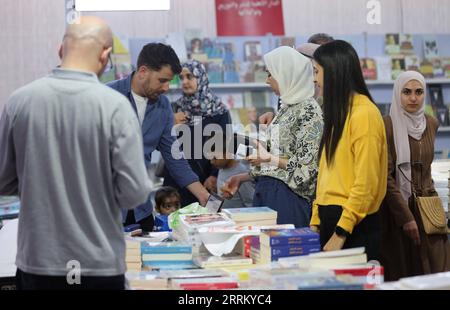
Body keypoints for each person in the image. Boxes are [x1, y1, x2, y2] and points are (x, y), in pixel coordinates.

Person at [0, 16, 152, 290]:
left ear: (61, 49)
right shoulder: (115, 107)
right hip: (97, 264)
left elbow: (4, 181)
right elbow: (135, 193)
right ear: (105, 54)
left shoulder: (19, 101)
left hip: (38, 262)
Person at [108, 44, 210, 232]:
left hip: (140, 208)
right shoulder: (107, 98)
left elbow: (174, 156)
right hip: (106, 208)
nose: (166, 88)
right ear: (143, 71)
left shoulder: (163, 106)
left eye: (169, 81)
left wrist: (203, 195)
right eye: (162, 80)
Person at [223, 46, 323, 228]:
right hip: (267, 193)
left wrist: (269, 158)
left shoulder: (309, 110)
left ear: (285, 74)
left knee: (285, 254)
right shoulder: (286, 108)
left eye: (270, 74)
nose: (267, 81)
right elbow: (274, 160)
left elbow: (307, 168)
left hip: (289, 198)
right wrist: (242, 177)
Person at [310, 40, 387, 261]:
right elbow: (326, 175)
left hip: (353, 227)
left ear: (334, 71)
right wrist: (316, 221)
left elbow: (366, 183)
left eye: (317, 71)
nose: (314, 79)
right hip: (331, 221)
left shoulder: (364, 114)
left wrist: (341, 232)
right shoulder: (338, 112)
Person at [380, 71, 450, 281]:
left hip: (427, 210)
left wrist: (438, 211)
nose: (413, 98)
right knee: (404, 271)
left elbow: (426, 171)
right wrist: (406, 216)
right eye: (407, 92)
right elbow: (386, 177)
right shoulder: (387, 125)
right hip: (397, 211)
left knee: (436, 269)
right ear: (397, 94)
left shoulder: (431, 123)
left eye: (419, 92)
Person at [166, 60, 231, 205]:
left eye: (189, 76)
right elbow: (162, 141)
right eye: (181, 78)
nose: (184, 82)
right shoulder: (174, 109)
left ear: (201, 78)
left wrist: (214, 175)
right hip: (176, 178)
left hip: (206, 179)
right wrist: (171, 122)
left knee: (207, 220)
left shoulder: (218, 110)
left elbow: (224, 146)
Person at [210, 138, 254, 209]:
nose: (211, 162)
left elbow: (249, 201)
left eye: (215, 158)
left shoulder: (241, 172)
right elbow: (220, 195)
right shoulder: (221, 168)